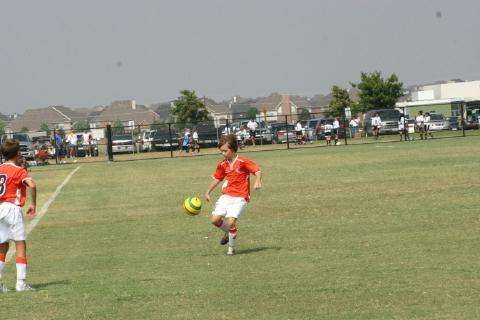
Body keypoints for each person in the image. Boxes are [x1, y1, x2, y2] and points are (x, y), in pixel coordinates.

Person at [205, 134, 262, 256]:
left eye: (225, 151)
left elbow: (257, 170)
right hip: (226, 196)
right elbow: (217, 178)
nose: (223, 154)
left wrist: (257, 181)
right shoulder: (223, 164)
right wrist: (208, 191)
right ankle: (230, 232)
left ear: (233, 149)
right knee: (214, 220)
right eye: (221, 151)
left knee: (231, 222)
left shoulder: (242, 162)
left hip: (241, 197)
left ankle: (231, 249)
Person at [0, 139, 37, 292]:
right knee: (20, 243)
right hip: (12, 208)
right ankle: (21, 283)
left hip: (0, 208)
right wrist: (33, 204)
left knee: (2, 247)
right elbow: (32, 185)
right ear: (18, 153)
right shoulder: (19, 170)